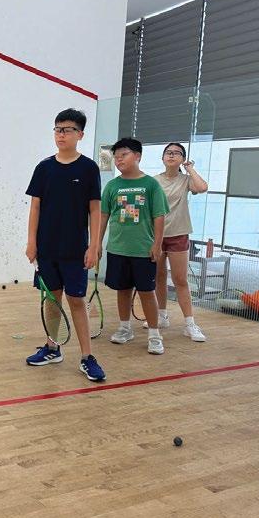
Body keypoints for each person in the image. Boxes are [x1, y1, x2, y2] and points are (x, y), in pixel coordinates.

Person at [24, 108, 105, 382]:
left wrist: (93, 246)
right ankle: (51, 348)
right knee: (52, 298)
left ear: (80, 134)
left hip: (75, 249)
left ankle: (87, 357)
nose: (61, 134)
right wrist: (31, 241)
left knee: (76, 300)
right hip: (47, 248)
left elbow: (95, 210)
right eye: (57, 129)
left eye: (67, 130)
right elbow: (35, 206)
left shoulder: (89, 168)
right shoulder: (44, 168)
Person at [98, 137, 169, 355]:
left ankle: (154, 335)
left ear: (137, 156)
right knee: (123, 290)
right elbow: (103, 216)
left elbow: (159, 216)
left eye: (124, 155)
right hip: (117, 249)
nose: (119, 160)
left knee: (147, 292)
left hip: (143, 250)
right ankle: (124, 328)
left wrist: (157, 244)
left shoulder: (151, 185)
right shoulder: (112, 186)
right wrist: (96, 244)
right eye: (116, 156)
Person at [150, 142, 209, 341]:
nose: (172, 155)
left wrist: (190, 168)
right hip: (156, 236)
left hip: (179, 235)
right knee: (158, 277)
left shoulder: (186, 180)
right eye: (168, 152)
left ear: (182, 159)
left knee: (180, 280)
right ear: (162, 157)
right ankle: (162, 316)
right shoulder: (154, 181)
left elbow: (202, 187)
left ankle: (190, 324)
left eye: (177, 153)